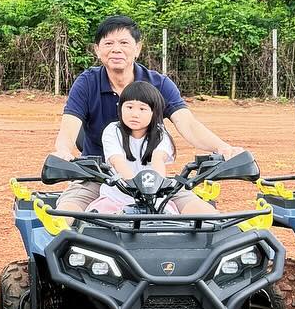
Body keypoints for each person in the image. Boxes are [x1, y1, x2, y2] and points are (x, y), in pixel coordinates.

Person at [50, 16, 242, 215]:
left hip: (152, 178)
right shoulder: (87, 83)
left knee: (203, 214)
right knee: (67, 212)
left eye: (124, 43)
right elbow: (69, 128)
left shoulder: (158, 84)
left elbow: (187, 124)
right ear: (97, 50)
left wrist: (222, 147)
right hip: (97, 175)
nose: (116, 49)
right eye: (108, 43)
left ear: (138, 48)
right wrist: (63, 151)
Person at [90, 80, 176, 214]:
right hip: (116, 197)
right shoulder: (112, 130)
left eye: (142, 109)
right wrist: (135, 188)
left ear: (154, 112)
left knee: (171, 218)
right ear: (120, 108)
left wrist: (153, 192)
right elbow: (117, 161)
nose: (135, 114)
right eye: (129, 107)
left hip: (153, 198)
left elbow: (158, 160)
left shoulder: (161, 134)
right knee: (94, 218)